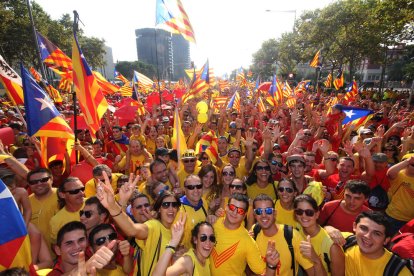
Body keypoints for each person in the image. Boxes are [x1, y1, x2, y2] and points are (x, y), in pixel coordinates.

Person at [96, 172, 181, 275]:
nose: (171, 209)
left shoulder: (178, 230)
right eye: (166, 205)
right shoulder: (154, 226)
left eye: (174, 205)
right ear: (159, 209)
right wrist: (112, 206)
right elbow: (131, 229)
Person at [252, 194, 325, 275]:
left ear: (275, 213)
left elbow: (313, 273)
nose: (264, 215)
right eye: (259, 211)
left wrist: (316, 260)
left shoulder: (292, 236)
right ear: (254, 215)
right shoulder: (254, 231)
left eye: (268, 210)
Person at [210, 193, 280, 275]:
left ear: (244, 215)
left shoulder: (248, 241)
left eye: (240, 211)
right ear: (226, 207)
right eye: (232, 207)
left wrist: (271, 265)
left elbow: (264, 273)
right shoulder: (213, 223)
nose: (235, 212)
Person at [344, 211, 412, 275]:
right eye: (364, 228)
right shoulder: (345, 240)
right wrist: (332, 230)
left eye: (377, 234)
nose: (367, 236)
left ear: (386, 240)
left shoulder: (397, 271)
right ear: (355, 226)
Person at [294, 194, 345, 275]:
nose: (303, 216)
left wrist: (315, 259)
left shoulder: (332, 246)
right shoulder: (297, 229)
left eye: (309, 212)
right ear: (295, 215)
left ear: (317, 214)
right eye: (299, 212)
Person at [48, 221, 115, 275]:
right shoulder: (54, 274)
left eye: (81, 240)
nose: (77, 246)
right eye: (69, 243)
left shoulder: (93, 259)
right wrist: (85, 267)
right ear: (58, 250)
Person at [319, 180, 371, 245]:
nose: (351, 201)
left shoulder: (370, 216)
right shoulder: (329, 207)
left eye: (357, 198)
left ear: (366, 199)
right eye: (348, 196)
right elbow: (315, 227)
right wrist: (327, 228)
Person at [28, 168, 59, 252]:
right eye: (33, 182)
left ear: (51, 179)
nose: (39, 184)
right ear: (29, 184)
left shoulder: (64, 196)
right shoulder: (26, 203)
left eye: (43, 180)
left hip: (64, 257)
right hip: (39, 258)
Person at [384, 153, 414, 235]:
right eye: (413, 164)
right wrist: (408, 161)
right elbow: (390, 173)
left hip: (411, 221)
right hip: (394, 217)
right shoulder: (399, 175)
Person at [49, 177, 85, 245]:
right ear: (62, 195)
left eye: (82, 189)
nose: (81, 193)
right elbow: (56, 245)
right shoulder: (56, 220)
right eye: (75, 191)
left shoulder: (93, 203)